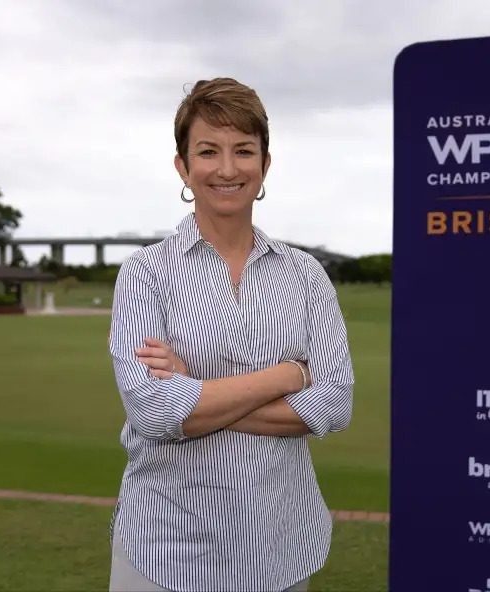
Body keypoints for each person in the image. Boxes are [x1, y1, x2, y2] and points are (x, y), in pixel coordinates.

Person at [108, 77, 354, 592]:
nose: (226, 169)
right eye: (207, 151)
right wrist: (288, 375)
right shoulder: (145, 273)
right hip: (163, 548)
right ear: (183, 166)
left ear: (265, 164)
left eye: (244, 150)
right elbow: (155, 413)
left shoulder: (305, 275)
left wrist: (197, 391)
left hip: (280, 547)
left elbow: (333, 407)